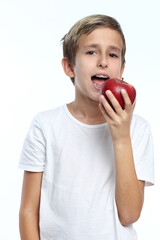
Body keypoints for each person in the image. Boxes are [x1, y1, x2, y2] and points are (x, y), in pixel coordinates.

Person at [19, 14, 154, 240]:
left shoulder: (138, 129)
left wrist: (121, 137)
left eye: (112, 54)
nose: (103, 61)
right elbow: (28, 211)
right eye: (91, 52)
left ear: (121, 70)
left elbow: (129, 215)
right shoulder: (45, 125)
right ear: (69, 67)